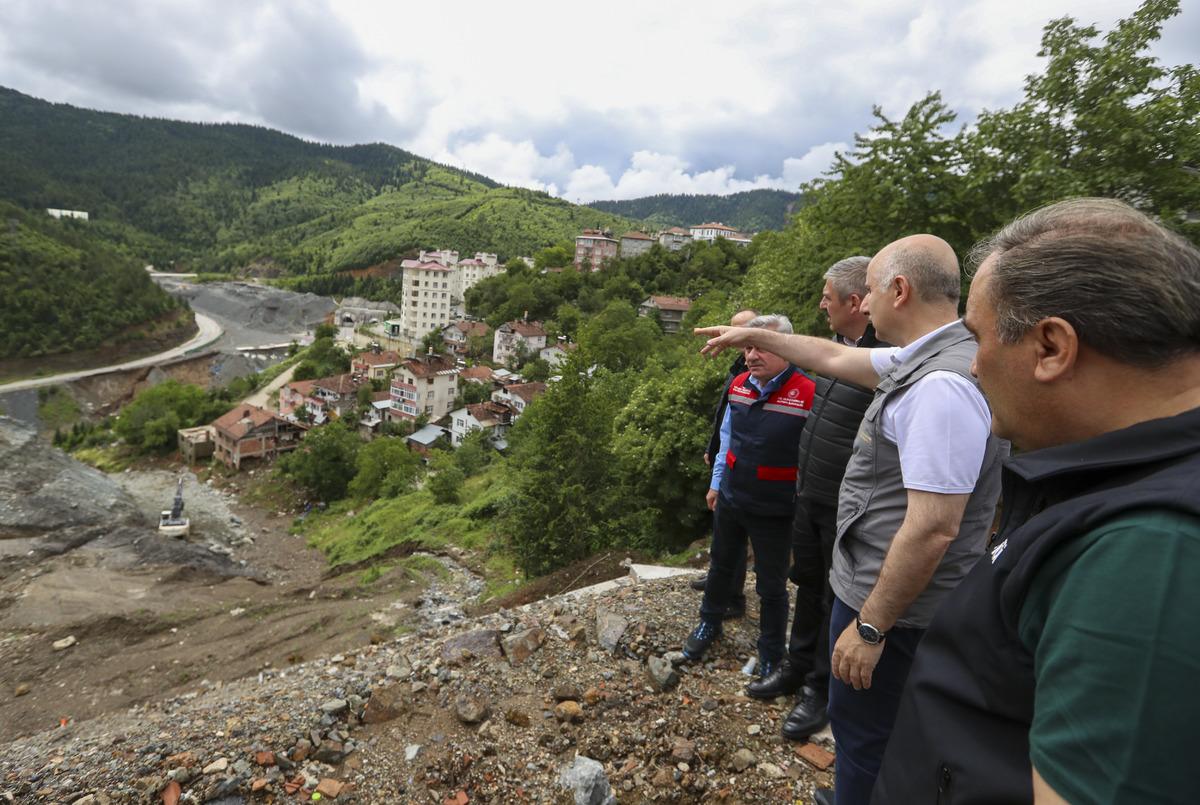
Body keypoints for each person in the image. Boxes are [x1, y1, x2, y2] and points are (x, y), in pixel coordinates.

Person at [873, 199, 1200, 805]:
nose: (974, 366)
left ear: (1051, 346)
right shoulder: (1125, 477)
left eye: (979, 337)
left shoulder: (1150, 550)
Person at [696, 235, 1006, 805]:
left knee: (866, 733)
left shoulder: (940, 387)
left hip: (895, 607)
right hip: (885, 592)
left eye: (867, 292)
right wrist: (754, 334)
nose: (860, 304)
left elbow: (934, 526)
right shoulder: (936, 353)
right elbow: (836, 356)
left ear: (900, 290)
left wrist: (870, 628)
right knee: (874, 730)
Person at [745, 257, 887, 746]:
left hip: (846, 508)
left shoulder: (881, 360)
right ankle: (795, 667)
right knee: (806, 584)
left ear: (855, 302)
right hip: (810, 495)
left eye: (827, 297)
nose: (820, 304)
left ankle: (819, 691)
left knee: (833, 597)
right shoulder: (834, 350)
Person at [682, 314, 816, 680]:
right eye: (748, 347)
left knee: (771, 585)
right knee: (721, 566)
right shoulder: (739, 385)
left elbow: (816, 456)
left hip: (775, 507)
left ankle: (771, 651)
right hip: (732, 498)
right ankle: (709, 624)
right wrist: (716, 484)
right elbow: (727, 437)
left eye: (761, 346)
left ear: (786, 348)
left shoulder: (808, 393)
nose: (752, 355)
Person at [690, 309, 760, 617]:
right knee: (720, 527)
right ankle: (717, 578)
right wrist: (713, 445)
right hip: (723, 454)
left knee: (735, 532)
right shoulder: (738, 364)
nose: (731, 336)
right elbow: (726, 416)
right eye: (730, 330)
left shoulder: (756, 367)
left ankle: (733, 594)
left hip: (741, 464)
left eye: (739, 331)